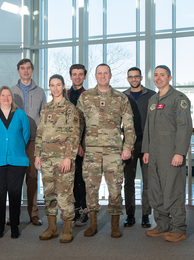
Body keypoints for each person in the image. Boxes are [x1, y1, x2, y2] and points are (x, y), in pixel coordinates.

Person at [77, 63, 136, 238]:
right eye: (99, 73)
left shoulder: (120, 98)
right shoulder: (85, 97)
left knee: (115, 189)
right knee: (90, 188)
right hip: (91, 152)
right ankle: (93, 224)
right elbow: (77, 124)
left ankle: (115, 225)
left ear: (110, 75)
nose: (103, 76)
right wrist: (78, 145)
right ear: (95, 76)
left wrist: (127, 147)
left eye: (106, 73)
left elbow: (129, 125)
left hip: (114, 152)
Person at [142, 65, 192, 243]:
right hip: (154, 153)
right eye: (156, 75)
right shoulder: (153, 100)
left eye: (162, 75)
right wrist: (146, 149)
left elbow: (184, 127)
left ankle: (179, 228)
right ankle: (162, 225)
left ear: (169, 78)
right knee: (155, 188)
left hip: (171, 153)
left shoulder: (179, 99)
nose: (158, 78)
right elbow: (148, 127)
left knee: (173, 188)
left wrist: (180, 152)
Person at [35, 75, 83, 243]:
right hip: (46, 159)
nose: (55, 88)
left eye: (58, 85)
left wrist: (69, 158)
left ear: (63, 86)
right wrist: (37, 155)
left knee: (65, 195)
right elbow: (39, 133)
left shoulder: (70, 109)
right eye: (52, 85)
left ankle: (67, 228)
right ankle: (52, 227)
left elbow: (74, 135)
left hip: (63, 159)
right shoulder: (46, 108)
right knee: (49, 194)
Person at [0, 86, 30, 239]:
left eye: (8, 95)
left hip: (17, 160)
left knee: (15, 193)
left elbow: (25, 136)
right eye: (3, 95)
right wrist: (0, 147)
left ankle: (15, 225)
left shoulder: (21, 115)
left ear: (12, 98)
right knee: (0, 193)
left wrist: (14, 147)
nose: (6, 98)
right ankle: (0, 225)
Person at [11, 58, 46, 226]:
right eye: (22, 68)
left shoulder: (40, 92)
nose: (25, 71)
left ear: (32, 70)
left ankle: (33, 213)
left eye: (28, 68)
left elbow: (44, 118)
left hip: (33, 140)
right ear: (18, 70)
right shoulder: (10, 91)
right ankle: (14, 214)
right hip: (15, 141)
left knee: (32, 178)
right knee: (15, 179)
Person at [122, 67, 156, 228]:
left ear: (141, 77)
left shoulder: (151, 95)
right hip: (128, 143)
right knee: (128, 180)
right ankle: (130, 214)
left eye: (136, 77)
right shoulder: (122, 96)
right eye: (131, 77)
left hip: (147, 142)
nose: (134, 79)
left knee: (148, 181)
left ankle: (145, 215)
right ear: (127, 79)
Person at [67, 64, 88, 227]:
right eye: (75, 74)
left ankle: (83, 211)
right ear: (71, 76)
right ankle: (71, 210)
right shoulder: (64, 94)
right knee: (69, 179)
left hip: (81, 144)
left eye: (80, 74)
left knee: (81, 179)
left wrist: (80, 144)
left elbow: (86, 123)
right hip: (65, 145)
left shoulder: (88, 96)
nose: (77, 77)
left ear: (85, 77)